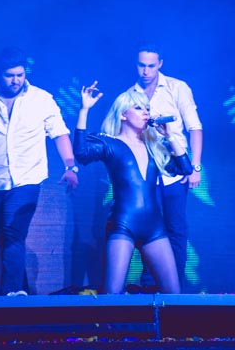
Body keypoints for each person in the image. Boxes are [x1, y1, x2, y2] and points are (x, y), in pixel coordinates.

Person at [0, 46, 78, 296]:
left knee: (13, 232)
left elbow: (60, 133)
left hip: (27, 180)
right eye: (10, 75)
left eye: (20, 75)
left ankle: (10, 294)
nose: (16, 81)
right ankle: (22, 293)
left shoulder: (41, 99)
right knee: (7, 239)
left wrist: (70, 166)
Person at [73, 83, 193, 294]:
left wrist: (169, 135)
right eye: (138, 108)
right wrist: (84, 110)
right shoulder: (110, 143)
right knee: (112, 292)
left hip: (155, 228)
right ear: (123, 115)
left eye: (147, 108)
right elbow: (81, 153)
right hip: (123, 224)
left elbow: (185, 168)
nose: (145, 112)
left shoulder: (154, 146)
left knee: (173, 293)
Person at [129, 44, 203, 292]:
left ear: (160, 64)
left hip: (175, 171)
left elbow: (195, 127)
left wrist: (194, 167)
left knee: (175, 230)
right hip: (144, 174)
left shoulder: (177, 87)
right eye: (142, 65)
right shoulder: (130, 95)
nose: (146, 71)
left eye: (151, 66)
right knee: (148, 228)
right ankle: (150, 286)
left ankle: (174, 291)